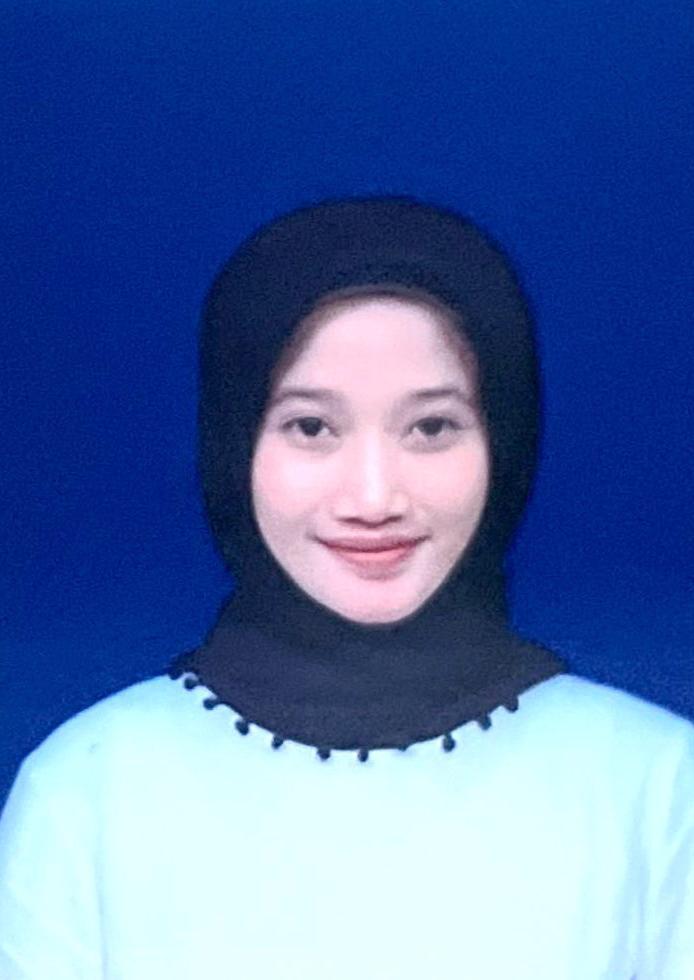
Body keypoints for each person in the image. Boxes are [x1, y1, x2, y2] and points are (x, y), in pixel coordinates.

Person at [0, 196, 692, 978]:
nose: (372, 497)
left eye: (431, 428)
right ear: (232, 441)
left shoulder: (655, 790)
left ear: (506, 439)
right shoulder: (88, 794)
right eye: (311, 427)